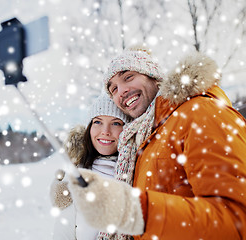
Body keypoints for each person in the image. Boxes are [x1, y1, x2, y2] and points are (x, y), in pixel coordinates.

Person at [67, 46, 246, 240]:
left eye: (128, 77)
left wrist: (137, 211)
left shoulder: (201, 112)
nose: (122, 91)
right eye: (114, 89)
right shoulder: (145, 139)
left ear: (154, 77)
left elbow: (237, 219)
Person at [50, 93, 128, 240]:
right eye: (98, 122)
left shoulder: (135, 174)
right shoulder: (75, 176)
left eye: (116, 123)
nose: (105, 131)